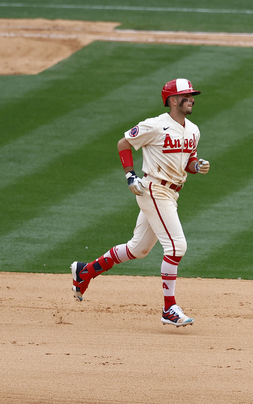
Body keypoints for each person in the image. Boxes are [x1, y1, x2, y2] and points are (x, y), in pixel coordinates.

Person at [70, 78, 210, 327]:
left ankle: (85, 271)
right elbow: (123, 144)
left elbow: (189, 160)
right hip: (154, 189)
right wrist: (130, 175)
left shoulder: (194, 130)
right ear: (173, 100)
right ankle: (169, 309)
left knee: (138, 249)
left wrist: (197, 166)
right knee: (177, 247)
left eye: (191, 95)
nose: (192, 99)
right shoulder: (154, 126)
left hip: (172, 193)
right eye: (187, 96)